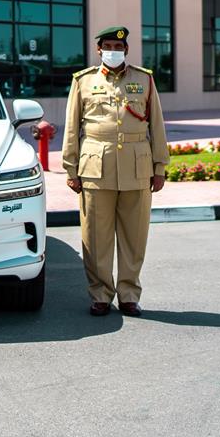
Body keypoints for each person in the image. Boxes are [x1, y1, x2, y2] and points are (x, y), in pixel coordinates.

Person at [61, 26, 169, 317]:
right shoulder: (83, 80)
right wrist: (71, 168)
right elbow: (72, 127)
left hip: (137, 168)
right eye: (108, 46)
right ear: (98, 50)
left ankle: (129, 295)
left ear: (126, 50)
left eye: (118, 47)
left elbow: (156, 125)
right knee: (96, 237)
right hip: (96, 167)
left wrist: (160, 167)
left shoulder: (144, 79)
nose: (113, 51)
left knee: (134, 237)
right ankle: (100, 294)